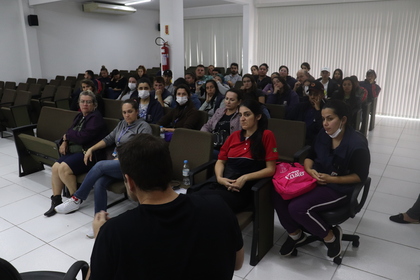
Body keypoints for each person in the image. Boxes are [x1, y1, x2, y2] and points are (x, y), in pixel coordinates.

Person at [89, 133, 244, 279]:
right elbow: (238, 264)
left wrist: (100, 239)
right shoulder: (219, 208)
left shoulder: (114, 232)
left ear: (130, 182)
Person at [274, 100, 370, 258]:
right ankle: (296, 235)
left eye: (330, 119)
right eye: (323, 119)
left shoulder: (356, 145)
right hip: (314, 179)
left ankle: (331, 238)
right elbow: (311, 155)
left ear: (343, 119)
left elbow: (360, 176)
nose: (325, 123)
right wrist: (309, 169)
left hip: (338, 188)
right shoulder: (324, 134)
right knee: (278, 193)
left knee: (297, 207)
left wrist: (331, 180)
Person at [54, 99, 152, 225]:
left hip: (132, 164)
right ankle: (100, 221)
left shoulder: (143, 127)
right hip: (118, 163)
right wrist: (91, 149)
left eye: (130, 112)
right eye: (124, 112)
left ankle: (77, 198)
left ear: (137, 112)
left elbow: (143, 151)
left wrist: (122, 157)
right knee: (100, 182)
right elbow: (108, 139)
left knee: (99, 165)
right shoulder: (122, 124)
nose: (127, 115)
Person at [193, 99, 278, 213]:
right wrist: (219, 178)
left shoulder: (266, 135)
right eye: (240, 115)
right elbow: (221, 161)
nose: (242, 119)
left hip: (243, 188)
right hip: (223, 182)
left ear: (258, 117)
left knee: (206, 204)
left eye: (247, 115)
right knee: (192, 197)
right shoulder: (234, 136)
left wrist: (245, 177)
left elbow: (271, 169)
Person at [44, 91, 107, 217]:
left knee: (64, 168)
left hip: (90, 155)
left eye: (88, 102)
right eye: (82, 101)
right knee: (56, 167)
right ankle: (56, 200)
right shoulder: (79, 116)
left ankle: (76, 198)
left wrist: (68, 136)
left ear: (94, 104)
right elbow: (69, 132)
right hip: (76, 151)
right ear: (79, 103)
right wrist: (65, 140)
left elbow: (83, 137)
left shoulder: (95, 118)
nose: (85, 104)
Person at [201, 89, 242, 157]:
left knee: (204, 152)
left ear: (239, 102)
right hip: (213, 143)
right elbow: (207, 126)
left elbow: (242, 135)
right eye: (226, 99)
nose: (228, 102)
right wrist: (205, 137)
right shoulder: (219, 111)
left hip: (229, 148)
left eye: (232, 100)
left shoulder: (240, 115)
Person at [288, 80, 325, 145]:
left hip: (314, 142)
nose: (312, 97)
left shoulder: (326, 109)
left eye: (315, 94)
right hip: (296, 137)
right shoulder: (301, 106)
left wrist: (318, 110)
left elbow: (322, 129)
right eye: (310, 94)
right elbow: (288, 120)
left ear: (322, 95)